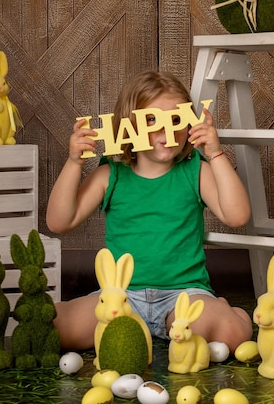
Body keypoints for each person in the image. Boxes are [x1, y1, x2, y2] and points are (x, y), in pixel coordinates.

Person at [46, 70, 253, 353]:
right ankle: (139, 328)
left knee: (231, 333)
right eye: (152, 120)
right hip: (119, 297)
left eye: (176, 119)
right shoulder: (110, 175)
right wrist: (73, 163)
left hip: (184, 295)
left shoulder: (196, 171)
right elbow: (59, 221)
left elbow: (237, 215)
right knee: (52, 327)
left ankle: (226, 312)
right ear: (129, 127)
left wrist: (215, 153)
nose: (166, 131)